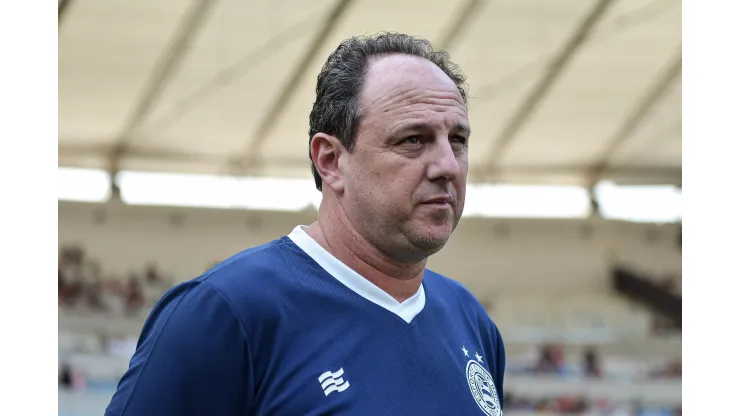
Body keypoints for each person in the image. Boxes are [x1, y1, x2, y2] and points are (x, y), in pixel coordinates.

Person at [105, 32, 505, 416]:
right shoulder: (227, 314)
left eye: (458, 140)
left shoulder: (470, 320)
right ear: (330, 161)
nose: (448, 166)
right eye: (413, 140)